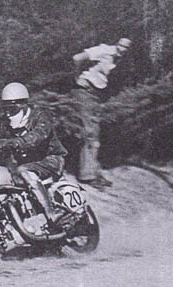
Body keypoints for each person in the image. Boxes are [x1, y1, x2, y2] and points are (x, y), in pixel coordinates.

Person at [0, 82, 68, 223]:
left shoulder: (40, 116)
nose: (8, 113)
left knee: (23, 170)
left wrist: (15, 142)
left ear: (23, 105)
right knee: (6, 180)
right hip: (27, 163)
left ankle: (51, 213)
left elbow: (38, 135)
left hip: (51, 159)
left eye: (12, 109)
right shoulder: (5, 122)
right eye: (5, 108)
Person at [72, 38, 132, 188]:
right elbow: (77, 58)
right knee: (89, 132)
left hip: (96, 95)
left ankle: (94, 172)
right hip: (85, 91)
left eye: (126, 47)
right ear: (116, 43)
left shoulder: (118, 59)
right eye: (121, 45)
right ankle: (87, 176)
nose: (122, 49)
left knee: (95, 133)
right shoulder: (104, 50)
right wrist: (77, 77)